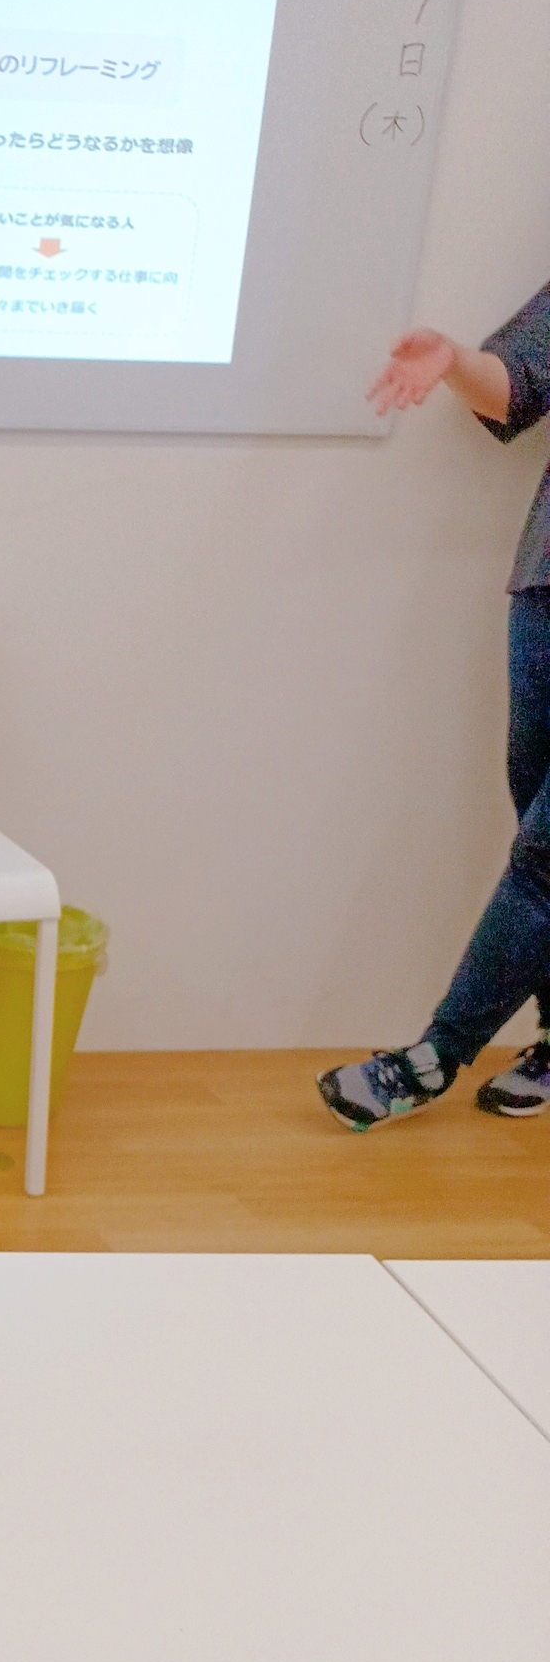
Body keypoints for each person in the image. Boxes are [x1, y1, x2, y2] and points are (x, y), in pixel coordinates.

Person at [320, 293, 550, 1126]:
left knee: (545, 857)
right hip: (546, 589)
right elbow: (519, 386)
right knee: (536, 827)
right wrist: (453, 358)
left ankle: (432, 1059)